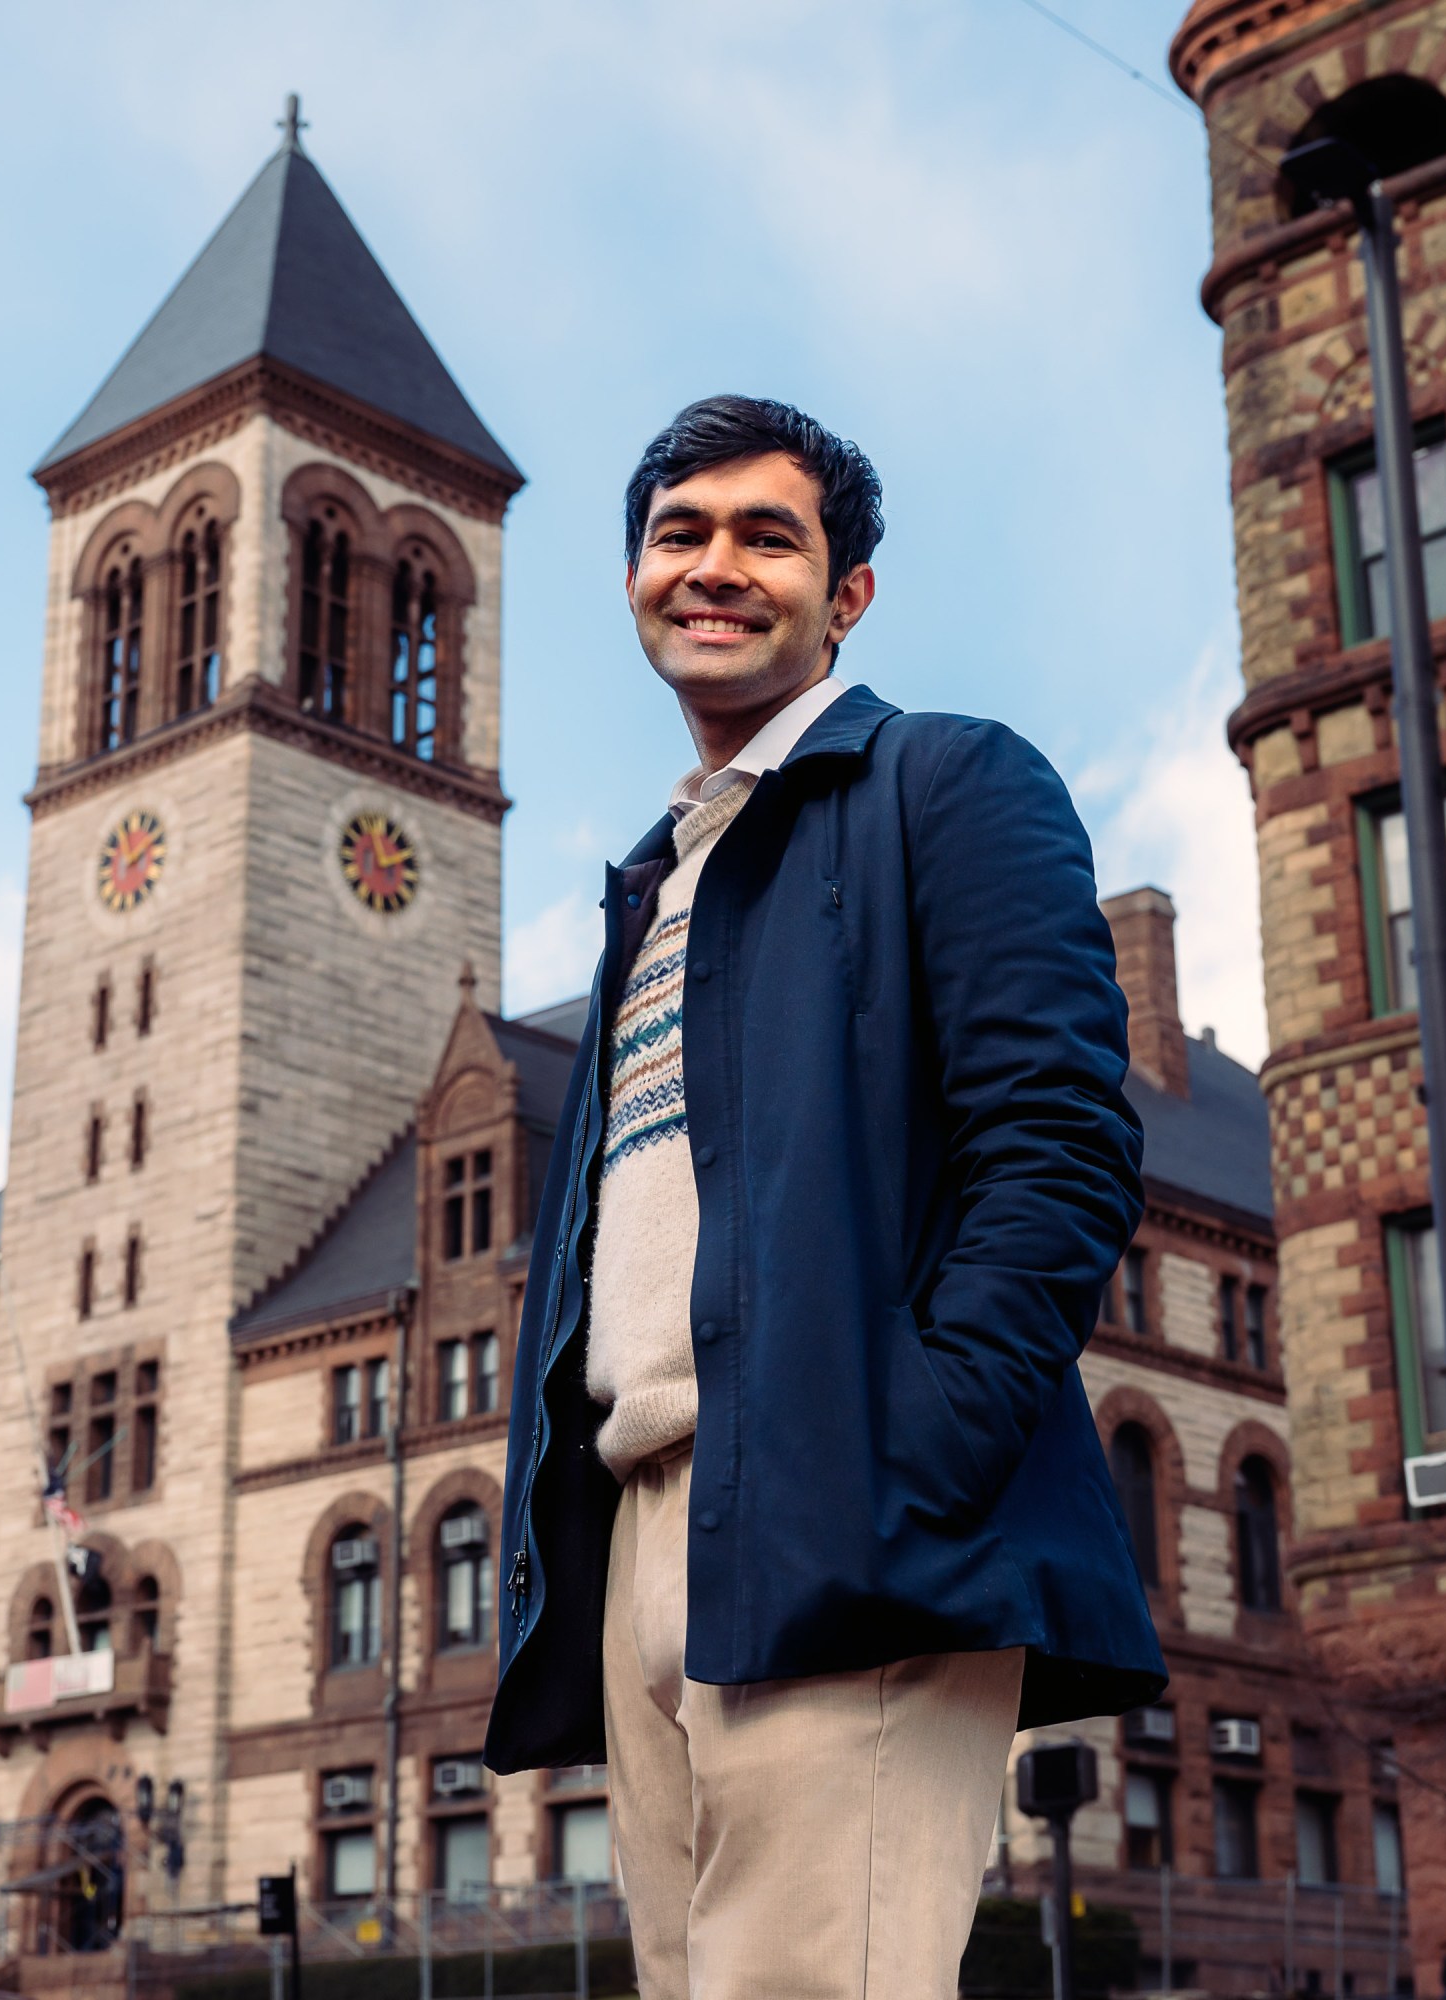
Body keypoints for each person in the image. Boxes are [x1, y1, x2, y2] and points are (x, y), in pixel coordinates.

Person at [486, 394, 1166, 1998]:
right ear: (636, 576)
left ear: (846, 593)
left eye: (764, 536)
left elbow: (1062, 1143)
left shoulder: (948, 783)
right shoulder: (656, 883)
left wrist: (915, 1444)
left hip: (846, 1517)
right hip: (645, 1525)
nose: (713, 568)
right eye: (679, 533)